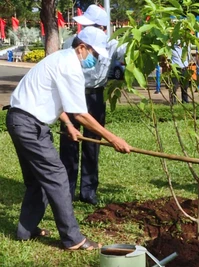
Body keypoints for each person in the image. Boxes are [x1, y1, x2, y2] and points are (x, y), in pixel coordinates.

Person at [6, 26, 131, 250]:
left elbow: (53, 97)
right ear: (82, 47)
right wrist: (113, 138)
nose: (95, 59)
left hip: (20, 120)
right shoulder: (71, 66)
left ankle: (26, 231)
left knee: (38, 180)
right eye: (94, 54)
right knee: (57, 178)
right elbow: (81, 114)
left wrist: (68, 125)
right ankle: (73, 238)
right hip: (29, 125)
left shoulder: (60, 58)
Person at [60, 4, 125, 205]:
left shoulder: (112, 45)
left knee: (92, 143)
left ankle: (88, 191)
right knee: (69, 142)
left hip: (95, 97)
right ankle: (67, 191)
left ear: (102, 28)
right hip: (73, 94)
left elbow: (128, 53)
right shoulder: (71, 42)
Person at [169, 40, 190, 104]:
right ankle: (173, 101)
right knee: (174, 86)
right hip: (176, 69)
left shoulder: (187, 47)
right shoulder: (172, 48)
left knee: (185, 86)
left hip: (185, 69)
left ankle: (185, 100)